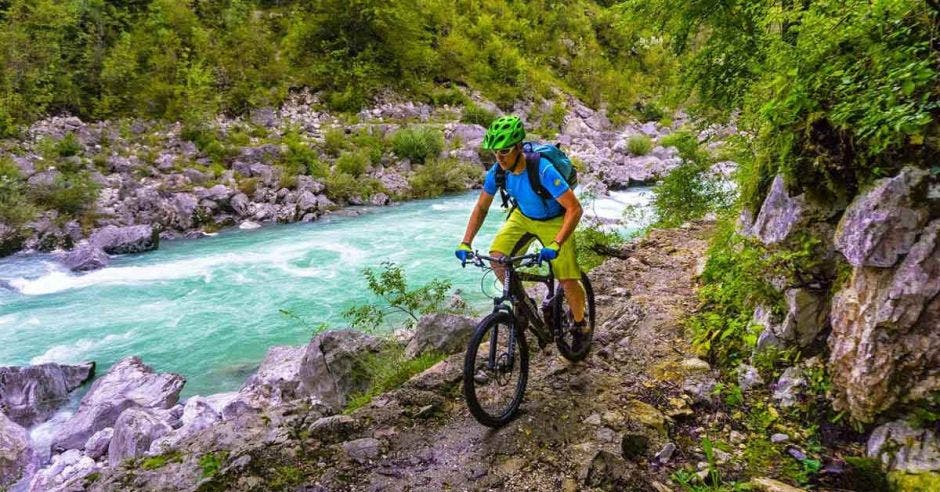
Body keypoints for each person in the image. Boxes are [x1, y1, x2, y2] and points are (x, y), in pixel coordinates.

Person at [455, 115, 589, 343]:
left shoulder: (543, 169)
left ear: (518, 147)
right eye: (495, 151)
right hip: (523, 216)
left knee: (567, 279)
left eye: (505, 151)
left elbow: (574, 209)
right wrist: (466, 242)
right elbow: (481, 207)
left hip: (556, 218)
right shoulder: (497, 172)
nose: (499, 157)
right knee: (497, 259)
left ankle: (580, 324)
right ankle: (524, 303)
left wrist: (556, 243)